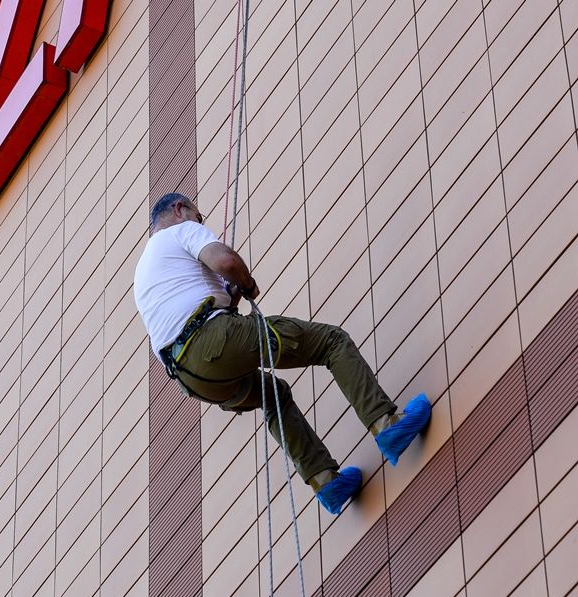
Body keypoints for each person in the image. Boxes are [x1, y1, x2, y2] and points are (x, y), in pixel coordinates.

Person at [133, 192, 431, 514]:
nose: (199, 222)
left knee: (273, 396)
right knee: (331, 342)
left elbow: (187, 308)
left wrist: (231, 294)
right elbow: (226, 262)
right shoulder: (180, 231)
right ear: (180, 209)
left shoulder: (144, 273)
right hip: (212, 339)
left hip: (192, 379)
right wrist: (247, 282)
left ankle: (327, 483)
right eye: (197, 216)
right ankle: (387, 425)